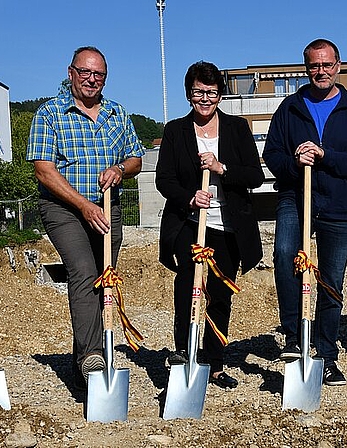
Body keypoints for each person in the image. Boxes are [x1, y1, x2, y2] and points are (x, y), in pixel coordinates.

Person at [26, 46, 144, 389]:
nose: (92, 79)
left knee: (104, 277)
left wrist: (121, 168)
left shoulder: (117, 113)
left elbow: (135, 157)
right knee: (83, 271)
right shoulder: (49, 114)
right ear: (71, 72)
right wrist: (83, 205)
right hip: (64, 208)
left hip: (108, 207)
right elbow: (44, 171)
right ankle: (93, 354)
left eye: (99, 74)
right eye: (85, 72)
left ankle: (85, 361)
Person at [262, 38, 347, 386]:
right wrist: (295, 162)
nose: (321, 71)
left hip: (340, 202)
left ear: (338, 66)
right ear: (306, 68)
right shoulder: (290, 107)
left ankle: (326, 354)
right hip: (296, 197)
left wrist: (325, 155)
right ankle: (295, 335)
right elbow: (272, 155)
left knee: (330, 279)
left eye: (327, 65)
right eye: (314, 66)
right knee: (284, 254)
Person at [156, 61, 264, 389]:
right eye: (199, 92)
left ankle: (215, 363)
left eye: (212, 92)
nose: (205, 99)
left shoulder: (237, 128)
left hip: (227, 227)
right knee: (188, 290)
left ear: (220, 94)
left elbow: (255, 176)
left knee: (219, 296)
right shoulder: (175, 131)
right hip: (189, 224)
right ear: (189, 93)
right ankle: (184, 353)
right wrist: (190, 198)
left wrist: (222, 167)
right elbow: (164, 179)